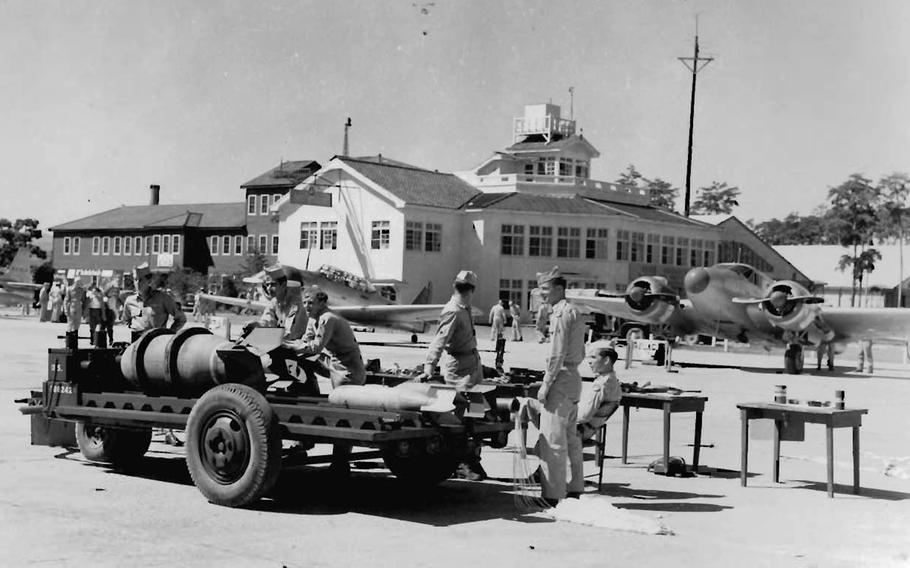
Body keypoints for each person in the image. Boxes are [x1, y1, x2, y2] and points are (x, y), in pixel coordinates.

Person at [415, 270, 486, 481]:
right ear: (471, 290)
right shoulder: (453, 311)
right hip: (459, 370)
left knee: (476, 414)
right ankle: (462, 463)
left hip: (472, 366)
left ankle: (472, 459)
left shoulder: (463, 308)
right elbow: (439, 340)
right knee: (462, 418)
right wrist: (429, 367)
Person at [534, 266, 586, 507]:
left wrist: (546, 384)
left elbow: (557, 353)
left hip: (561, 379)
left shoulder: (561, 313)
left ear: (558, 288)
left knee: (552, 439)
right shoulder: (574, 311)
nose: (542, 293)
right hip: (573, 379)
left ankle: (553, 495)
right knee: (570, 438)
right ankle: (575, 488)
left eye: (545, 289)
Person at [282, 284, 366, 388]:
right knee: (299, 357)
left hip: (348, 369)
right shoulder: (313, 318)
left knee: (339, 401)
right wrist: (286, 343)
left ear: (322, 303)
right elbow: (305, 341)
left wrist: (289, 345)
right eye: (304, 303)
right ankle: (308, 390)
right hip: (333, 362)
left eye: (311, 303)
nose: (306, 306)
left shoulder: (327, 318)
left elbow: (315, 348)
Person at [122, 263, 186, 342]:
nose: (137, 283)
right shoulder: (129, 301)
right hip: (136, 344)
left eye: (141, 280)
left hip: (157, 344)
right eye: (135, 279)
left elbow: (181, 318)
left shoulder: (162, 298)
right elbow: (125, 320)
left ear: (149, 280)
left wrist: (169, 334)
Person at [577, 344, 623, 441]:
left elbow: (584, 416)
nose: (589, 362)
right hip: (590, 429)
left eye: (593, 357)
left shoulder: (600, 385)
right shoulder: (613, 381)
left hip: (577, 431)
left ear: (606, 360)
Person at [64, 277, 87, 347]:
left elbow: (84, 301)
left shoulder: (82, 290)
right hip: (72, 306)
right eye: (78, 282)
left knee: (77, 323)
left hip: (79, 307)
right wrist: (66, 310)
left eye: (80, 282)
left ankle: (75, 341)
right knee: (70, 323)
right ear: (75, 282)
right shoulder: (69, 289)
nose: (79, 284)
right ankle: (68, 341)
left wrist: (84, 311)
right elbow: (66, 300)